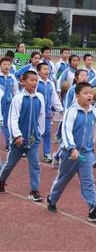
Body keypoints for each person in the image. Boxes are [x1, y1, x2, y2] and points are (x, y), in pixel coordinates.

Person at [47, 82, 96, 222]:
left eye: (91, 92)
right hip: (70, 154)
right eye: (85, 93)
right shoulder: (71, 111)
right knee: (63, 179)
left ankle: (93, 209)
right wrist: (72, 148)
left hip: (85, 154)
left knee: (88, 181)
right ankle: (52, 199)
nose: (89, 95)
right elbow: (66, 131)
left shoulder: (93, 112)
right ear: (77, 95)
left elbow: (94, 131)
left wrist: (90, 147)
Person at [0, 71, 45, 201]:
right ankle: (1, 180)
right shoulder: (18, 98)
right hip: (18, 141)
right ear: (23, 82)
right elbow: (13, 118)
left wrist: (39, 133)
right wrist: (17, 136)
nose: (34, 83)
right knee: (10, 164)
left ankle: (34, 190)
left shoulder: (40, 97)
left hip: (33, 139)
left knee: (35, 164)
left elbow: (41, 116)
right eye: (31, 80)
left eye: (36, 80)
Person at [36, 62, 63, 163]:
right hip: (35, 113)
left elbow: (54, 98)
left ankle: (47, 153)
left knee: (47, 133)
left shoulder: (51, 83)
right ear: (38, 71)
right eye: (44, 69)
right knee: (34, 132)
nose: (47, 71)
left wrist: (60, 110)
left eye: (48, 69)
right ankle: (28, 148)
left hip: (47, 113)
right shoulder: (36, 82)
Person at [0, 57, 19, 150]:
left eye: (8, 64)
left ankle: (9, 144)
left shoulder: (12, 77)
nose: (7, 66)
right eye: (4, 64)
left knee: (7, 124)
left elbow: (16, 92)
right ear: (0, 65)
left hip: (8, 105)